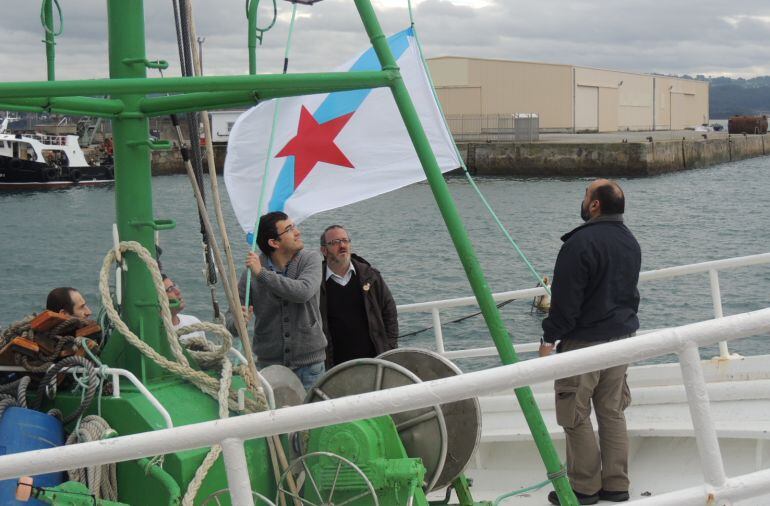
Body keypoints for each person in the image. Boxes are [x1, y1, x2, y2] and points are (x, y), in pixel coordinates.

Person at [540, 179, 641, 505]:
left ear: (595, 205)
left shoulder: (579, 244)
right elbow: (630, 295)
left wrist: (548, 337)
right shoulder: (630, 242)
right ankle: (616, 485)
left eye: (586, 195)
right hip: (621, 340)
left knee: (574, 414)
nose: (583, 200)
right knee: (612, 411)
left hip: (584, 344)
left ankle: (584, 488)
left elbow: (566, 306)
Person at [229, 211, 326, 390]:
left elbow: (303, 292)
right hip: (269, 367)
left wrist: (262, 274)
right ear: (274, 243)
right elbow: (230, 322)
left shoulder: (311, 259)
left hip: (309, 366)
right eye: (289, 229)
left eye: (294, 226)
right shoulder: (250, 273)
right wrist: (237, 321)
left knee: (312, 417)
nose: (297, 232)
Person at [319, 225, 398, 367]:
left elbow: (389, 311)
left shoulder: (370, 276)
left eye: (345, 240)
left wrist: (390, 347)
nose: (342, 245)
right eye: (335, 242)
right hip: (335, 365)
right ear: (324, 250)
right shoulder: (316, 282)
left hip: (375, 360)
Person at [162, 274, 205, 342]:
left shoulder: (193, 322)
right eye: (169, 290)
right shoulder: (155, 332)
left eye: (174, 286)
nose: (178, 292)